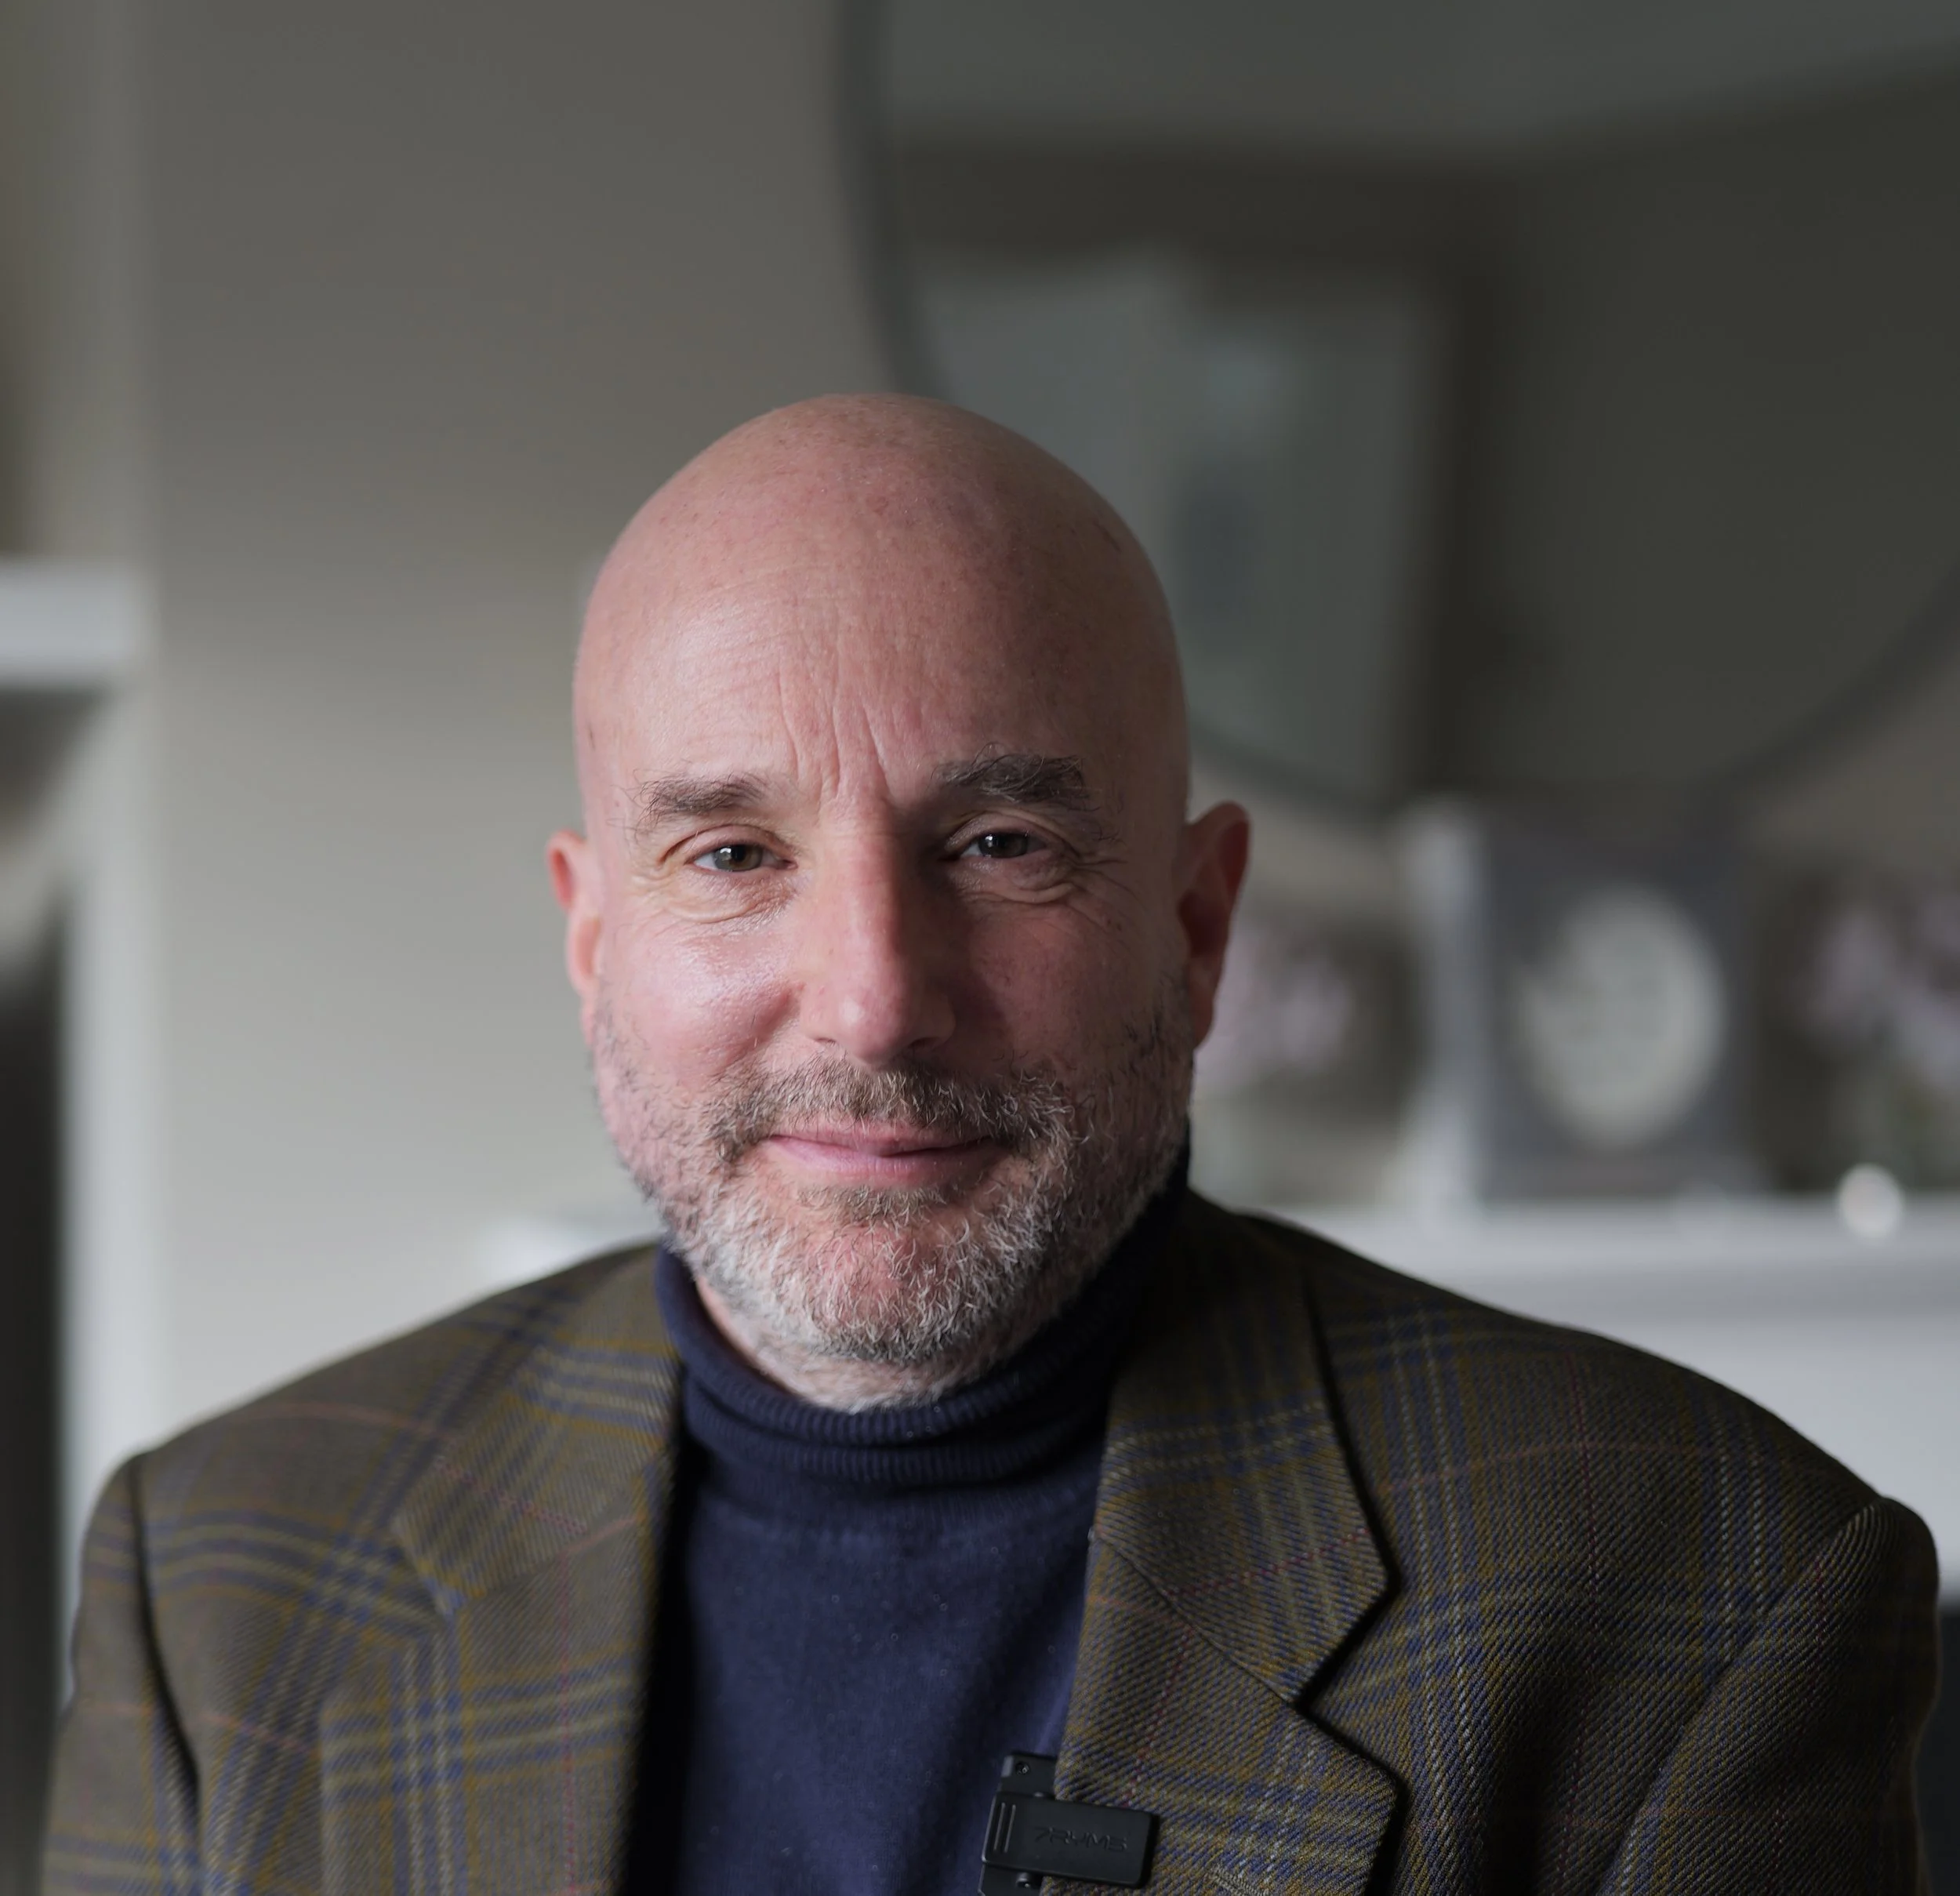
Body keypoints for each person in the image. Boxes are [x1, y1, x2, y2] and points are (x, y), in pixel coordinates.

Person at [45, 396, 1935, 1895]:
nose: (872, 1002)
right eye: (730, 855)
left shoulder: (1691, 1595)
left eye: (999, 846)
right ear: (593, 938)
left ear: (1196, 930)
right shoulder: (222, 1574)